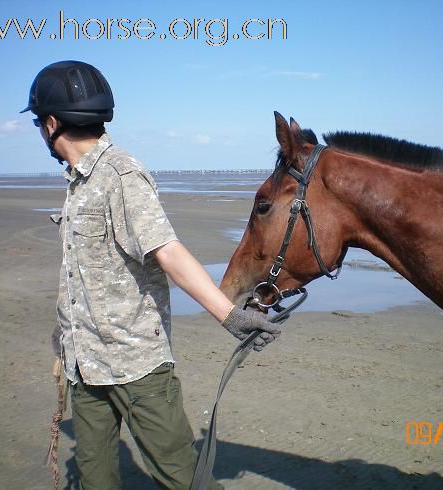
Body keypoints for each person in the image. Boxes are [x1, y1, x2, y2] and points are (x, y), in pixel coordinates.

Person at [22, 60, 280, 490]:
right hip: (86, 368)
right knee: (94, 479)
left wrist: (229, 316)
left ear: (50, 123)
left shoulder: (121, 175)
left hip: (137, 364)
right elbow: (81, 275)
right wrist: (64, 344)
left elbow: (169, 252)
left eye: (36, 123)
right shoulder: (78, 184)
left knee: (183, 479)